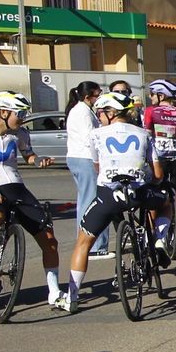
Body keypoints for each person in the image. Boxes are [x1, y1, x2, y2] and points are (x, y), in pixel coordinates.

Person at [64, 92, 172, 309]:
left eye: (101, 113)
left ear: (111, 113)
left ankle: (72, 297)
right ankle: (160, 240)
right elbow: (158, 174)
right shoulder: (145, 133)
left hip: (109, 195)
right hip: (139, 193)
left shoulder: (96, 135)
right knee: (167, 203)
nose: (99, 117)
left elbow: (97, 167)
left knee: (83, 243)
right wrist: (146, 177)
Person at [0, 92, 65, 309]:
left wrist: (38, 161)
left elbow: (29, 155)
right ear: (3, 112)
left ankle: (54, 292)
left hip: (16, 188)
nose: (23, 117)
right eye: (20, 113)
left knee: (49, 239)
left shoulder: (20, 133)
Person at [141, 79, 176, 231]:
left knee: (153, 193)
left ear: (161, 96)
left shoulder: (151, 111)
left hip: (158, 159)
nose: (150, 97)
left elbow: (146, 134)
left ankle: (152, 233)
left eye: (152, 94)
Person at [64, 82, 109, 257]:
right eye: (97, 95)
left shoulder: (83, 110)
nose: (99, 98)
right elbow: (89, 138)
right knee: (92, 202)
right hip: (85, 157)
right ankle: (94, 246)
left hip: (80, 157)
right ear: (87, 96)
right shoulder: (82, 112)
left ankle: (90, 244)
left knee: (86, 200)